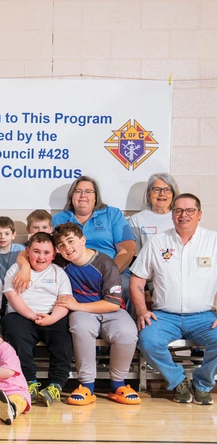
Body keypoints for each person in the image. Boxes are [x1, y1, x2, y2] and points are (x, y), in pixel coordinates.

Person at [130, 194, 217, 405]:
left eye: (190, 211)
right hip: (164, 316)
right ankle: (178, 381)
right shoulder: (157, 242)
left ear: (199, 214)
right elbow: (137, 279)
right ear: (172, 215)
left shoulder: (213, 241)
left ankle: (202, 384)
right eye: (178, 210)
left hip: (203, 317)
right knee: (148, 341)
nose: (183, 215)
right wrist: (142, 310)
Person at [53, 223, 139, 405]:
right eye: (61, 245)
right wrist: (24, 267)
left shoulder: (105, 263)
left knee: (127, 332)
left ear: (83, 240)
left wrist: (78, 305)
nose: (67, 248)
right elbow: (27, 253)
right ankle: (86, 386)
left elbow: (113, 303)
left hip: (108, 308)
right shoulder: (60, 261)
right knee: (80, 327)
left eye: (71, 241)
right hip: (81, 312)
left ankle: (118, 385)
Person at [2, 232, 73, 406]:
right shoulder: (15, 270)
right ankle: (29, 382)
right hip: (22, 315)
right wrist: (31, 315)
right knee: (14, 331)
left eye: (46, 253)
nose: (41, 257)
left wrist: (51, 318)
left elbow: (65, 301)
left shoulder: (58, 273)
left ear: (53, 255)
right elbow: (12, 297)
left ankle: (56, 384)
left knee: (63, 337)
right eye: (36, 251)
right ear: (27, 251)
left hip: (51, 315)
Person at [52, 176, 137, 298]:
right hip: (73, 274)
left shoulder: (112, 214)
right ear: (71, 196)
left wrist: (109, 275)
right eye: (78, 191)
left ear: (96, 197)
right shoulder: (59, 218)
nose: (83, 195)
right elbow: (47, 248)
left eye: (88, 191)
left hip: (112, 270)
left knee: (124, 285)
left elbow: (128, 249)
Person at [128, 173, 179, 253]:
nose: (162, 194)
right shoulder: (136, 220)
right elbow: (135, 254)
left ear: (173, 193)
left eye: (167, 190)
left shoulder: (181, 218)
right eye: (157, 189)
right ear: (149, 193)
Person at [0, 216, 25, 282]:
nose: (2, 237)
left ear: (13, 235)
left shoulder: (20, 249)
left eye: (7, 234)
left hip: (14, 284)